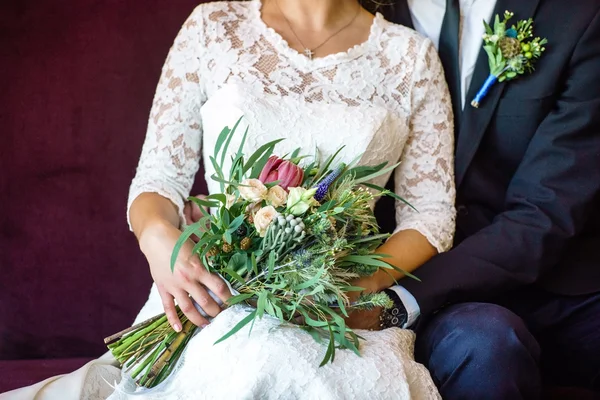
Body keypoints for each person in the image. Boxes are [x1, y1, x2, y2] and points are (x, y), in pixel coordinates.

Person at [1, 0, 455, 399]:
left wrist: (357, 287)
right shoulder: (211, 27)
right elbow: (159, 179)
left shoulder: (411, 58)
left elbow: (432, 213)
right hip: (211, 295)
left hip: (332, 310)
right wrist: (161, 242)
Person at [346, 0, 600, 398]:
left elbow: (547, 209)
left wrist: (393, 299)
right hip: (418, 279)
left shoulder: (577, 15)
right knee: (485, 346)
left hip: (558, 281)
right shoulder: (352, 14)